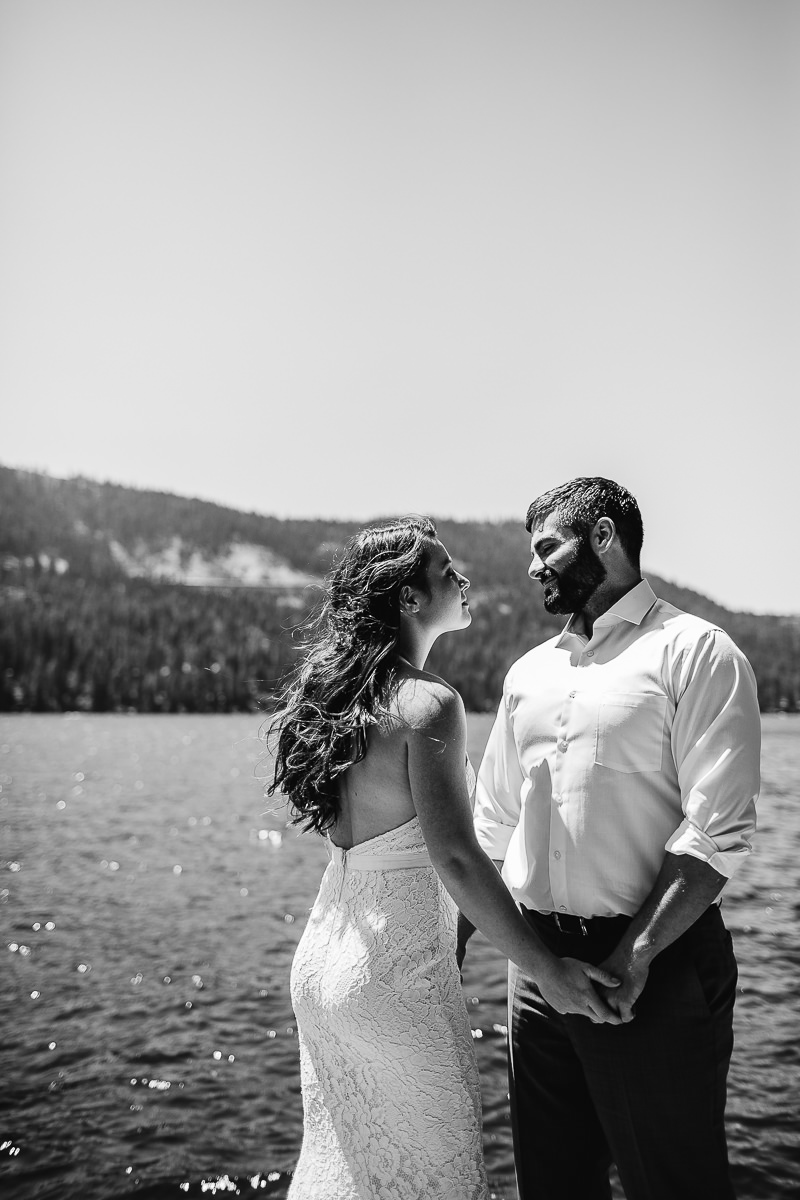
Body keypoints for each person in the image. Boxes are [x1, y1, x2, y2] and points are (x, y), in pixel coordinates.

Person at [266, 515, 621, 1200]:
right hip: (392, 980)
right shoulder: (429, 704)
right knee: (440, 1178)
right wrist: (548, 970)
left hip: (321, 966)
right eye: (446, 572)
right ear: (408, 598)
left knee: (348, 1170)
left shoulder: (339, 698)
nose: (463, 580)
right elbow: (457, 859)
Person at [460, 477, 761, 1200]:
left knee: (675, 1185)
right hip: (536, 979)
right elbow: (493, 822)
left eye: (547, 548)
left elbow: (715, 832)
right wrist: (459, 940)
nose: (534, 568)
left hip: (655, 972)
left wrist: (635, 956)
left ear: (602, 537)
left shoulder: (697, 651)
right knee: (553, 1187)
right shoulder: (529, 673)